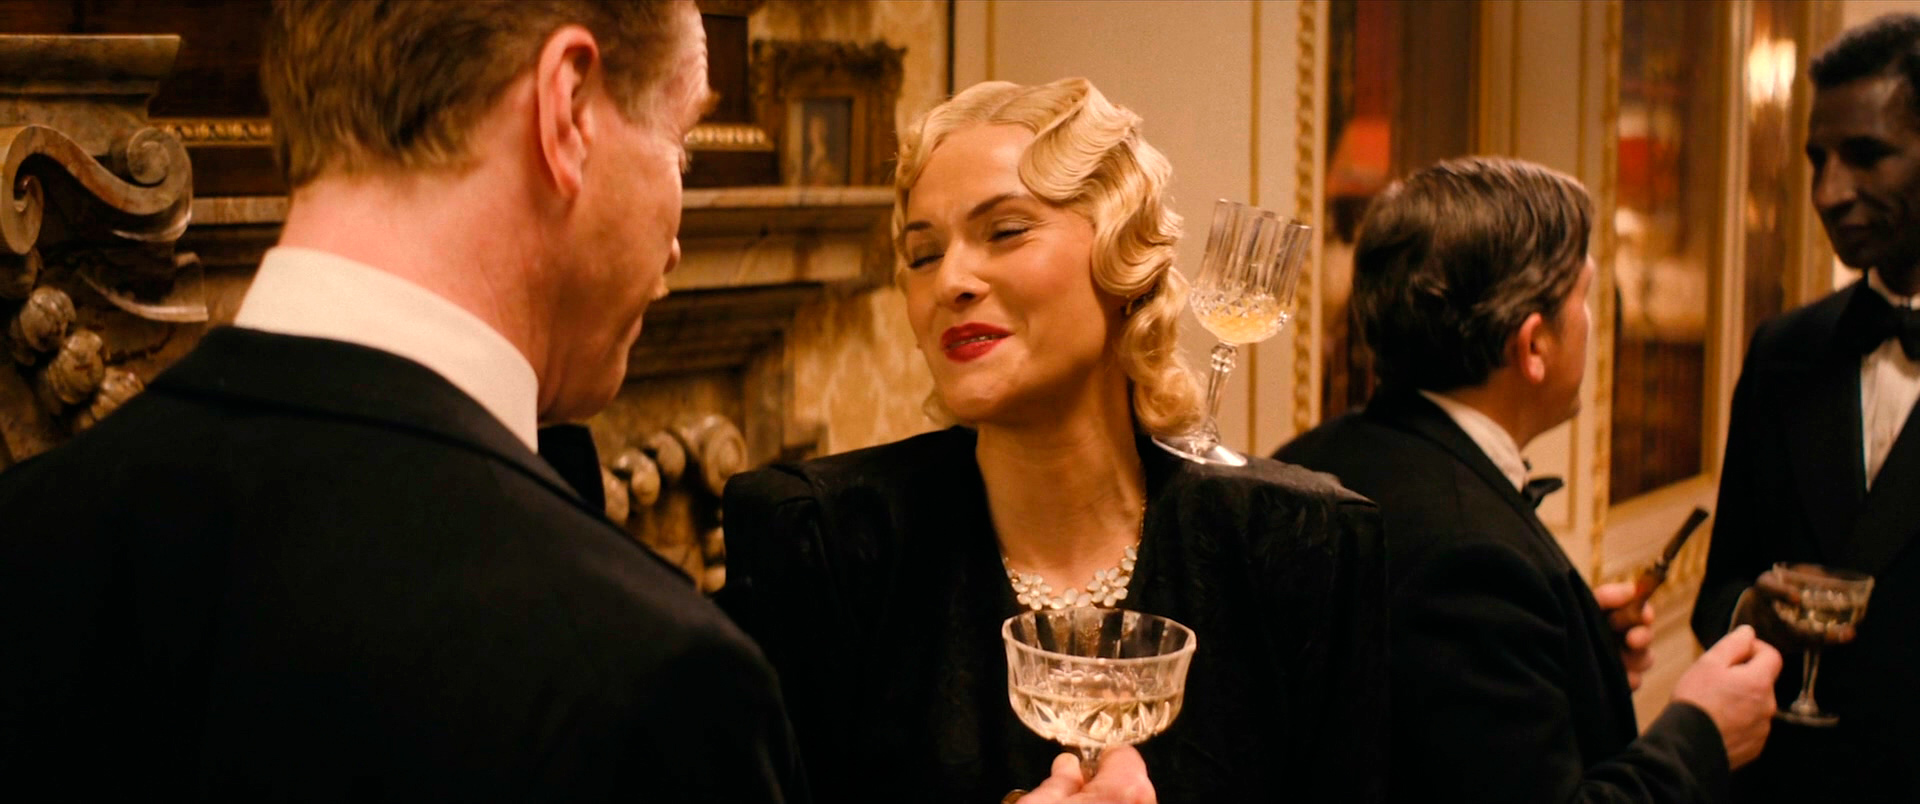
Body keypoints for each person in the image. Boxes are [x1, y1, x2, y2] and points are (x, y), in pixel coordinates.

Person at [0, 1, 812, 800]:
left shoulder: (26, 532)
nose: (676, 246)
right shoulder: (653, 686)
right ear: (567, 112)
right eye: (682, 144)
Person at [718, 77, 1389, 804]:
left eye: (1006, 231)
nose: (951, 280)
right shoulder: (822, 543)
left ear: (1125, 260)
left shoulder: (1297, 544)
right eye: (923, 254)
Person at [1278, 156, 1781, 803]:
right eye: (1585, 295)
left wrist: (1570, 653)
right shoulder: (1471, 561)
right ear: (1534, 346)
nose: (1595, 320)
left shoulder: (1313, 453)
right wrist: (1701, 735)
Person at [1692, 13, 1920, 801]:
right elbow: (1718, 591)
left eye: (1866, 155)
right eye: (1818, 160)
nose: (1827, 193)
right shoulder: (1783, 351)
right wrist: (1750, 609)